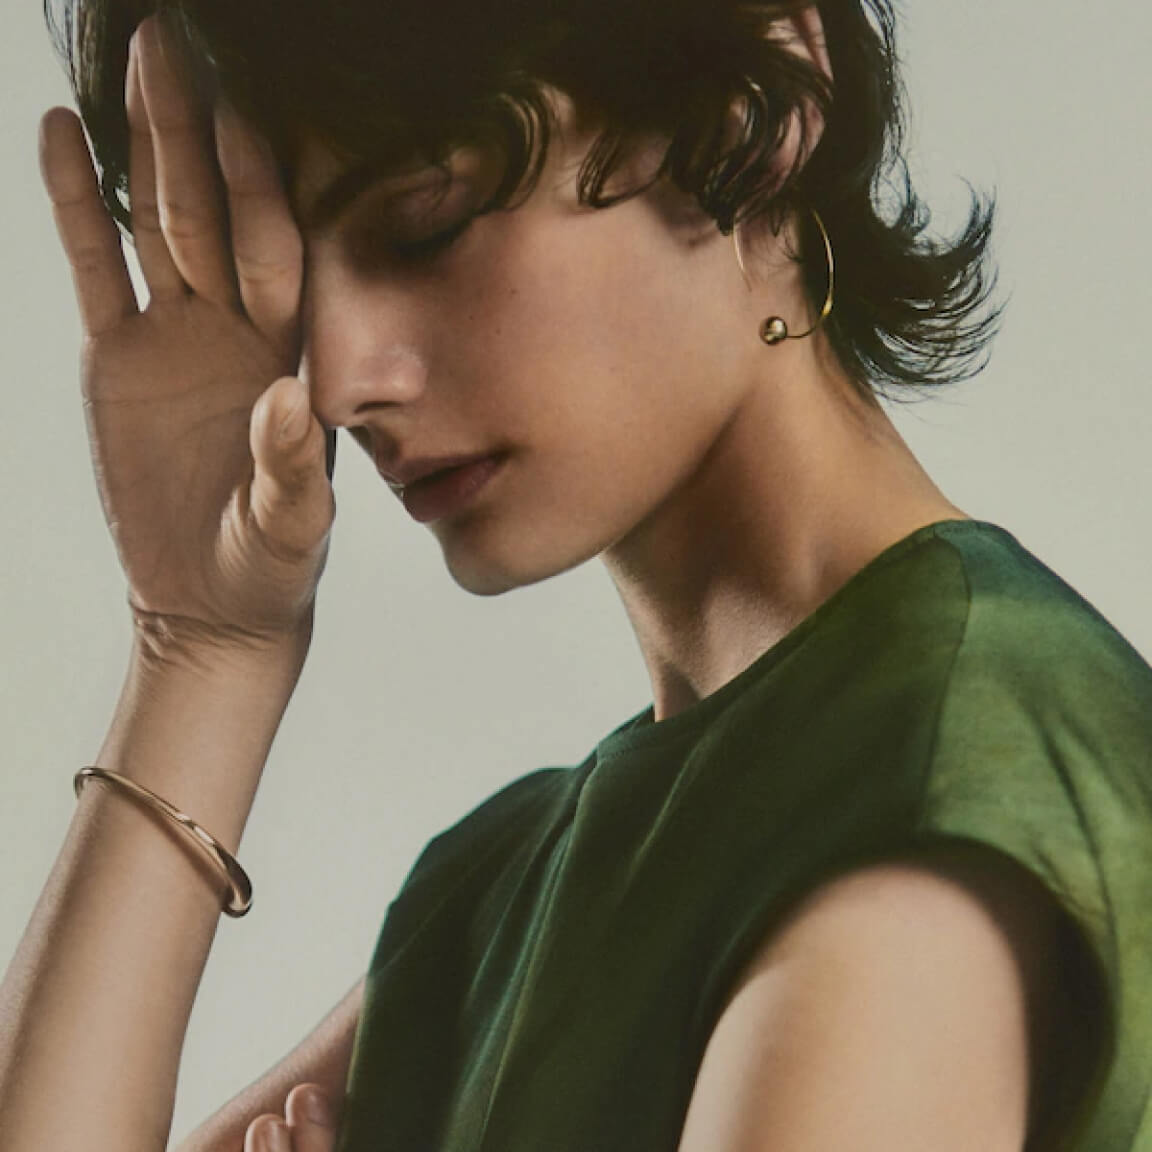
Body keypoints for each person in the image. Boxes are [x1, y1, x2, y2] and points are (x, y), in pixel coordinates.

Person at [1, 0, 1149, 1149]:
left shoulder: (939, 780)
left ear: (748, 114)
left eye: (421, 223)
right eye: (288, 288)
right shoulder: (492, 894)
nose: (338, 381)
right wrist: (200, 643)